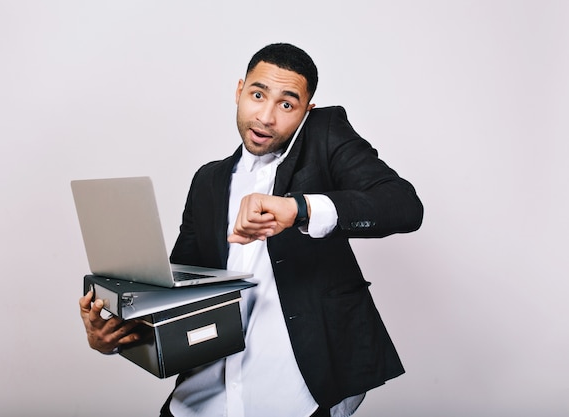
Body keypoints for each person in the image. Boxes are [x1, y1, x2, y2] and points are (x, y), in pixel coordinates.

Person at [79, 43, 423, 417]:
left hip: (299, 396)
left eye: (286, 105)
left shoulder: (324, 139)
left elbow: (403, 206)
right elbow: (180, 299)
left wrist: (299, 208)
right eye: (257, 95)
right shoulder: (208, 180)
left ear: (306, 112)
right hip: (201, 398)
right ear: (239, 90)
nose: (266, 116)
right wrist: (118, 336)